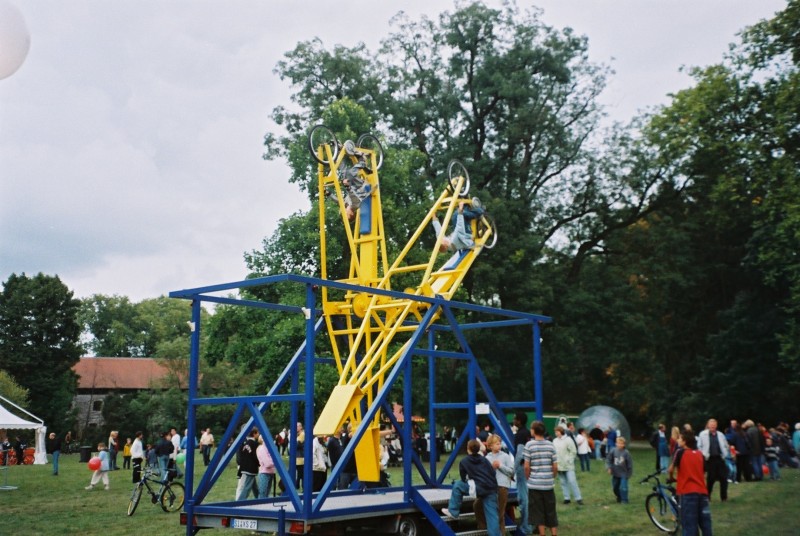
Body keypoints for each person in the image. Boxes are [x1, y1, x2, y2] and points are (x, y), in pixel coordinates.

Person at [442, 439, 501, 536]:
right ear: (478, 449)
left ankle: (453, 511)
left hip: (478, 487)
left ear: (468, 449)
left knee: (457, 485)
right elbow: (493, 472)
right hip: (491, 488)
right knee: (492, 516)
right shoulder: (484, 459)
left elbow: (463, 478)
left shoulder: (464, 461)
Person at [668, 430, 712, 536]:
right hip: (702, 492)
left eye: (679, 438)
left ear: (684, 441)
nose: (678, 440)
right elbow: (704, 472)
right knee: (706, 524)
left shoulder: (680, 452)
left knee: (689, 524)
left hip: (687, 492)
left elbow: (670, 469)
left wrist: (672, 478)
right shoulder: (700, 454)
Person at [524, 420, 558, 536]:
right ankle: (554, 533)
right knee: (550, 510)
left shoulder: (529, 445)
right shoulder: (550, 445)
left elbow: (527, 466)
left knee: (538, 512)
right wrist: (552, 476)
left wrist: (528, 478)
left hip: (534, 483)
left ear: (533, 431)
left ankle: (542, 534)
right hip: (548, 483)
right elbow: (555, 466)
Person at [485, 434, 515, 535]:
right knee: (493, 513)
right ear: (490, 446)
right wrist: (491, 468)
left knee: (500, 513)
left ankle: (501, 533)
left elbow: (511, 472)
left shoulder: (505, 456)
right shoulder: (487, 458)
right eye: (497, 444)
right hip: (491, 488)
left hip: (502, 487)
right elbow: (485, 473)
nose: (499, 445)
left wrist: (500, 466)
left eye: (500, 443)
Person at [697, 418, 729, 501]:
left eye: (714, 425)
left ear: (716, 426)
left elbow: (725, 445)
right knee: (711, 479)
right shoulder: (702, 434)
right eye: (711, 425)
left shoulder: (720, 434)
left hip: (719, 458)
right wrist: (703, 454)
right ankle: (707, 496)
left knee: (723, 478)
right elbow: (699, 446)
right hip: (709, 459)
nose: (712, 427)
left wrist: (724, 454)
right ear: (708, 425)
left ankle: (724, 497)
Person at [512, 412, 532, 536]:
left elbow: (520, 454)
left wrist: (512, 470)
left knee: (523, 498)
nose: (513, 420)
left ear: (519, 421)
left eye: (515, 419)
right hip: (527, 465)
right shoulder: (527, 432)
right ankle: (530, 523)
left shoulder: (520, 434)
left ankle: (526, 526)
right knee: (527, 496)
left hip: (521, 467)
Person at [553, 426, 583, 506]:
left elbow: (573, 451)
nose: (556, 433)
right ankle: (567, 498)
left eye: (557, 431)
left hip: (568, 465)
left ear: (561, 431)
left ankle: (578, 498)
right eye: (555, 432)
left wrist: (569, 460)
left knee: (572, 481)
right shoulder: (555, 441)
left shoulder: (568, 440)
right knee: (563, 482)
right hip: (559, 465)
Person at [606, 436, 633, 504]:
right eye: (618, 443)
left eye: (621, 443)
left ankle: (624, 500)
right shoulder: (613, 451)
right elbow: (608, 460)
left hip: (624, 473)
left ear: (624, 444)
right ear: (616, 443)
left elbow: (630, 464)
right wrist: (609, 467)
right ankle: (619, 496)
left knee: (623, 487)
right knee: (615, 487)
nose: (620, 445)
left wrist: (629, 474)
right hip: (615, 473)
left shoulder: (626, 453)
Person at [235, 428, 260, 501]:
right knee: (247, 487)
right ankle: (240, 501)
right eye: (258, 433)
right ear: (254, 434)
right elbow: (256, 457)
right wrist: (260, 464)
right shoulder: (255, 444)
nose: (259, 434)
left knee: (253, 486)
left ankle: (259, 498)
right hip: (251, 469)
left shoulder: (245, 444)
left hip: (244, 467)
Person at [294, 422, 306, 491]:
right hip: (299, 458)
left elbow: (297, 445)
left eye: (297, 426)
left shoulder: (302, 434)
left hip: (301, 458)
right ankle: (298, 485)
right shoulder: (298, 435)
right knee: (300, 474)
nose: (296, 428)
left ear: (301, 427)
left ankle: (300, 487)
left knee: (301, 474)